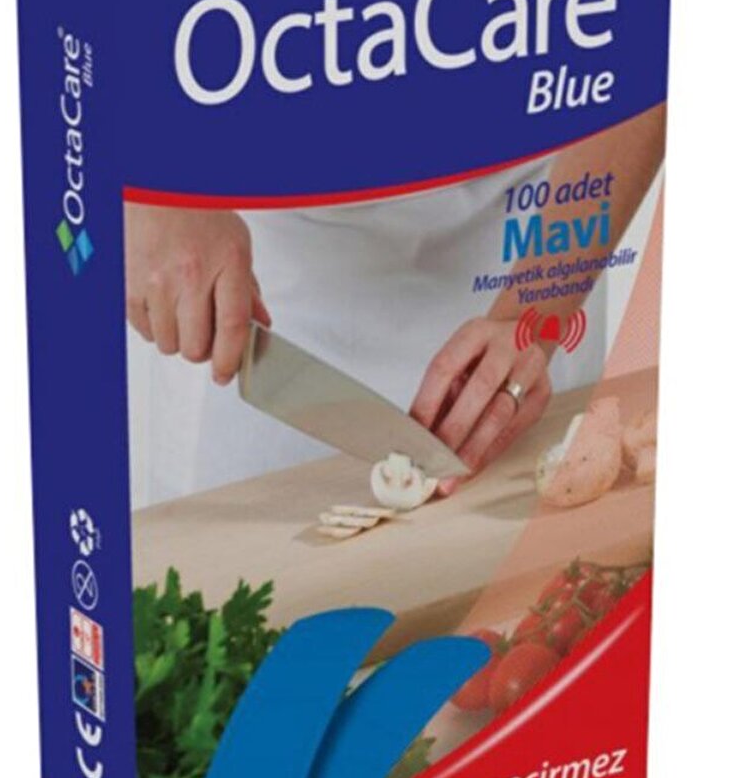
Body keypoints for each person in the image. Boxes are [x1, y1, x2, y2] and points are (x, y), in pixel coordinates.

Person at [125, 106, 666, 507]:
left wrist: (538, 304)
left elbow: (632, 27)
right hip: (260, 245)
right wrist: (145, 187)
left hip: (540, 220)